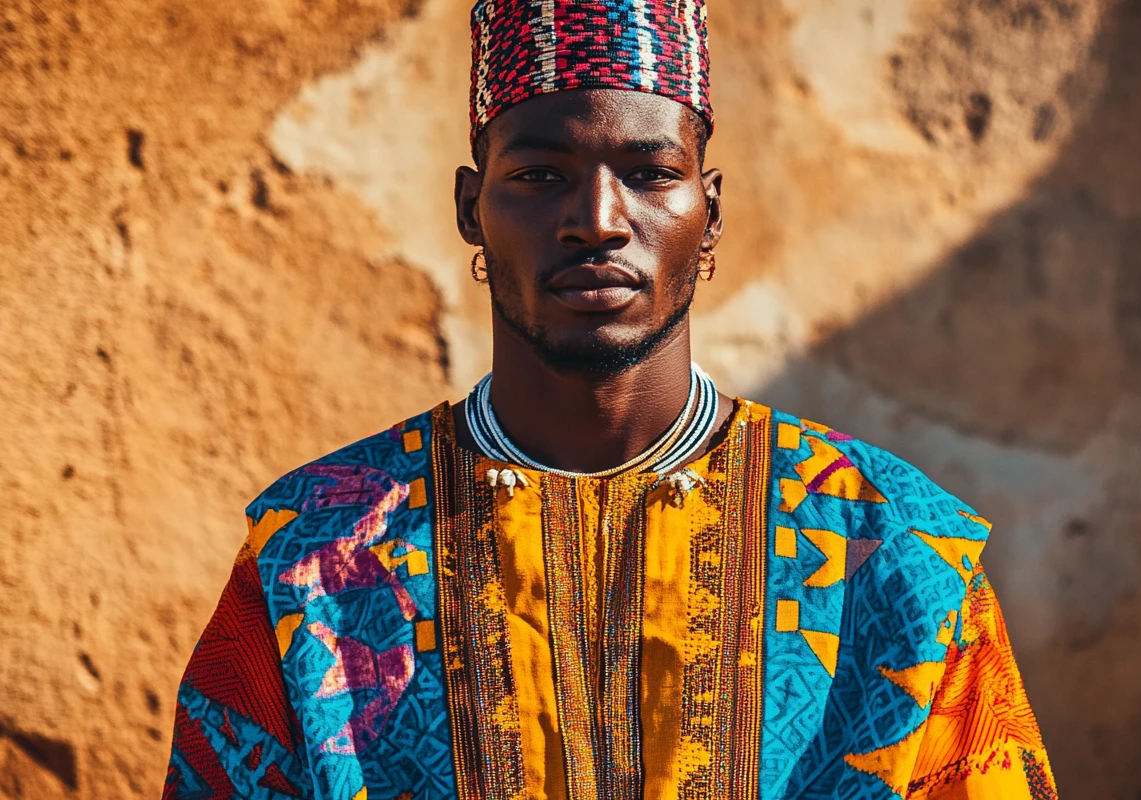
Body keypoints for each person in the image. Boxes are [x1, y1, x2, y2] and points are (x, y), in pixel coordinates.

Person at [161, 2, 1056, 798]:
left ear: (708, 210)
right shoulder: (312, 563)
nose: (598, 218)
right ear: (473, 208)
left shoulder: (905, 558)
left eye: (649, 172)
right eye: (539, 175)